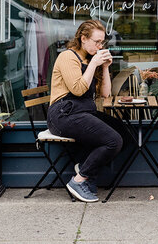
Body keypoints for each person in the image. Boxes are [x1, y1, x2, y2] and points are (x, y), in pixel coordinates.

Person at [47, 19, 128, 202]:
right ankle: (79, 180)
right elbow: (77, 89)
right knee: (112, 141)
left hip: (83, 113)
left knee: (124, 133)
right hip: (62, 115)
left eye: (102, 42)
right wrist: (93, 65)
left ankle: (84, 166)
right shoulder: (68, 57)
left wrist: (105, 67)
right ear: (83, 38)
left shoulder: (91, 59)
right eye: (96, 42)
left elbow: (106, 94)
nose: (100, 46)